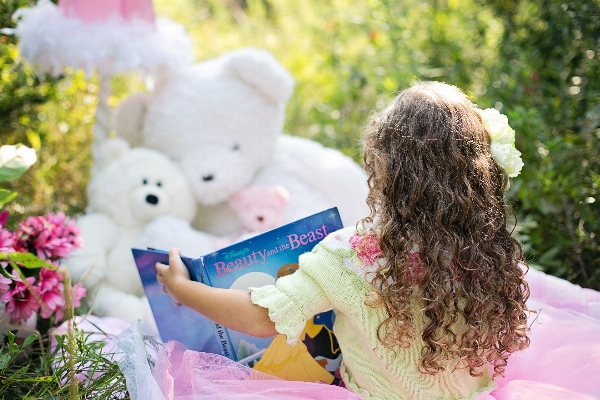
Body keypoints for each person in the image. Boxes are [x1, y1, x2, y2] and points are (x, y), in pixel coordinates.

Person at [155, 82, 600, 400]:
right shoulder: (485, 247)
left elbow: (261, 318)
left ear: (385, 171)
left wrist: (183, 289)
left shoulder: (351, 256)